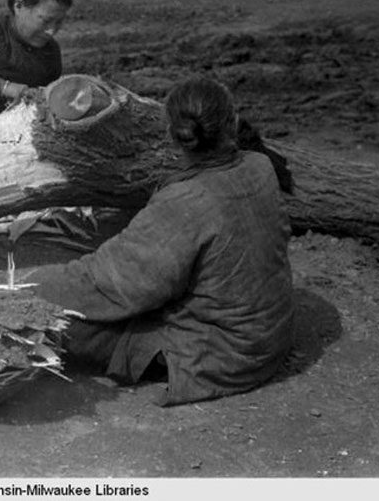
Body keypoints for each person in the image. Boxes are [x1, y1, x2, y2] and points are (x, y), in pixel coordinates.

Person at [23, 76, 294, 406]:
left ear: (171, 135)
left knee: (66, 320)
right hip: (269, 335)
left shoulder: (187, 201)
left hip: (226, 354)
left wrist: (27, 287)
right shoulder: (261, 165)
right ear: (232, 124)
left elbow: (112, 282)